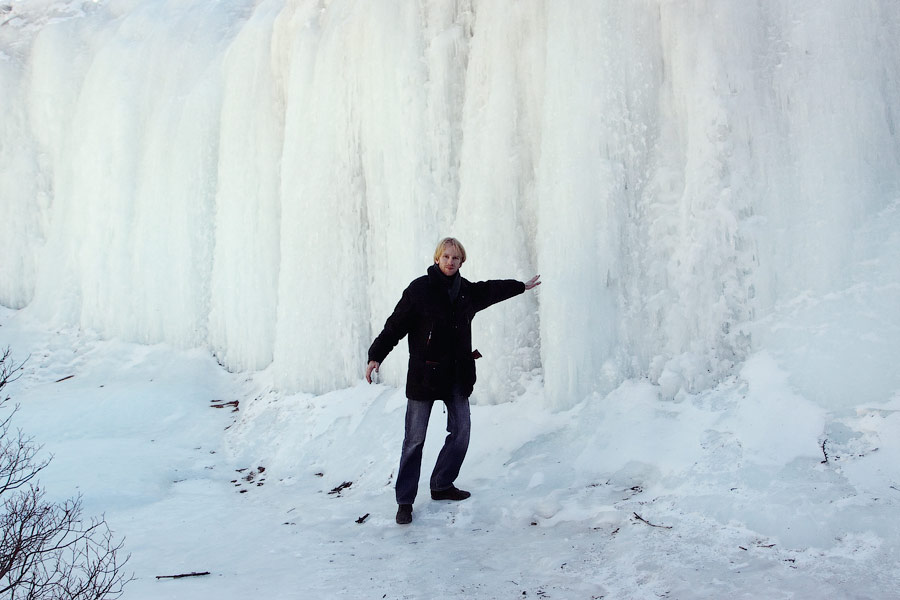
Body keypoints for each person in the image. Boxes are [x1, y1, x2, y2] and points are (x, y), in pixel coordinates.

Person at [365, 237, 541, 525]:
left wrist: (521, 286)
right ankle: (405, 501)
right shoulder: (419, 290)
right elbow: (394, 326)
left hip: (457, 375)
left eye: (456, 258)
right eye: (446, 256)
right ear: (437, 259)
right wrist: (376, 356)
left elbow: (492, 289)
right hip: (424, 376)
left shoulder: (466, 292)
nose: (450, 261)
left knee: (461, 432)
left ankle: (442, 484)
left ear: (462, 262)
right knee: (414, 440)